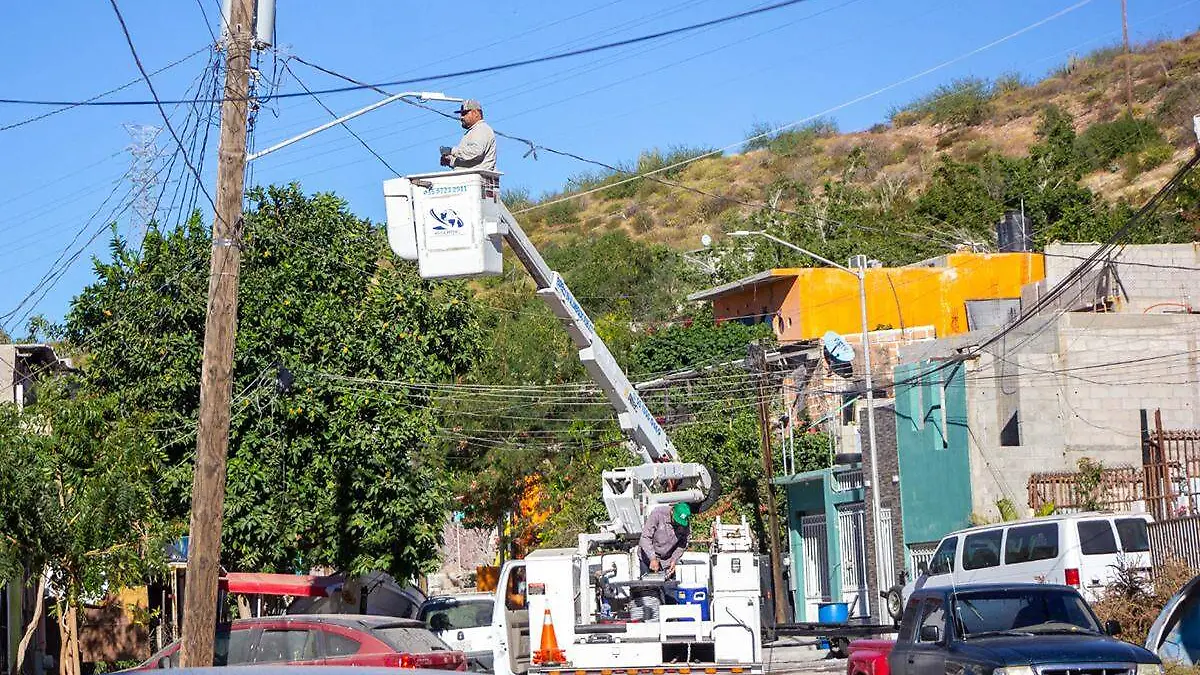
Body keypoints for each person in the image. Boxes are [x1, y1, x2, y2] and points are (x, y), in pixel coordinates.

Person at [440, 99, 496, 171]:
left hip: (477, 178)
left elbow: (475, 152)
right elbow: (470, 161)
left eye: (464, 113)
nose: (461, 117)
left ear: (475, 113)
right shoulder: (474, 130)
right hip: (471, 177)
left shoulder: (481, 129)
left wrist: (452, 151)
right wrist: (450, 161)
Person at [638, 502, 691, 577]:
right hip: (648, 556)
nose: (678, 524)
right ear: (672, 511)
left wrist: (674, 559)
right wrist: (652, 558)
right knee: (648, 586)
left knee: (669, 586)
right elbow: (645, 537)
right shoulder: (657, 514)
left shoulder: (685, 523)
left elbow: (683, 543)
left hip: (667, 560)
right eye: (676, 521)